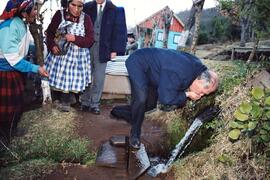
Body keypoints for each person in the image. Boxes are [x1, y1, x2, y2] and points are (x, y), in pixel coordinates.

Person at [111, 48, 219, 149]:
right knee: (141, 98)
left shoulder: (197, 69)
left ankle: (120, 112)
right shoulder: (180, 73)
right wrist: (187, 95)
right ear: (200, 81)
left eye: (204, 95)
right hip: (138, 62)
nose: (200, 95)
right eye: (202, 92)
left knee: (151, 104)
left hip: (154, 72)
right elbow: (165, 99)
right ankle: (135, 135)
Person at [0, 0, 49, 142]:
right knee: (5, 110)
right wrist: (36, 68)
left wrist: (41, 50)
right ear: (23, 12)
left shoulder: (21, 24)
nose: (35, 12)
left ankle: (11, 131)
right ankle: (4, 140)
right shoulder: (9, 27)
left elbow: (26, 45)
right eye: (33, 9)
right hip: (4, 73)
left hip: (13, 71)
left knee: (16, 105)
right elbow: (13, 59)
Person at [45, 0, 94, 112]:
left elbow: (90, 40)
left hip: (78, 57)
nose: (76, 9)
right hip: (60, 55)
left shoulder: (86, 19)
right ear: (68, 4)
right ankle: (58, 100)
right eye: (73, 5)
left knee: (72, 79)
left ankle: (68, 101)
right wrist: (52, 45)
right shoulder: (60, 15)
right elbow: (50, 33)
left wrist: (75, 38)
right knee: (59, 77)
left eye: (80, 6)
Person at [81, 0, 127, 114]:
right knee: (86, 75)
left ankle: (95, 104)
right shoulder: (86, 7)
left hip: (104, 48)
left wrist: (115, 49)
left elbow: (120, 31)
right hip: (87, 46)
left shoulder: (115, 10)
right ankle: (85, 102)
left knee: (99, 77)